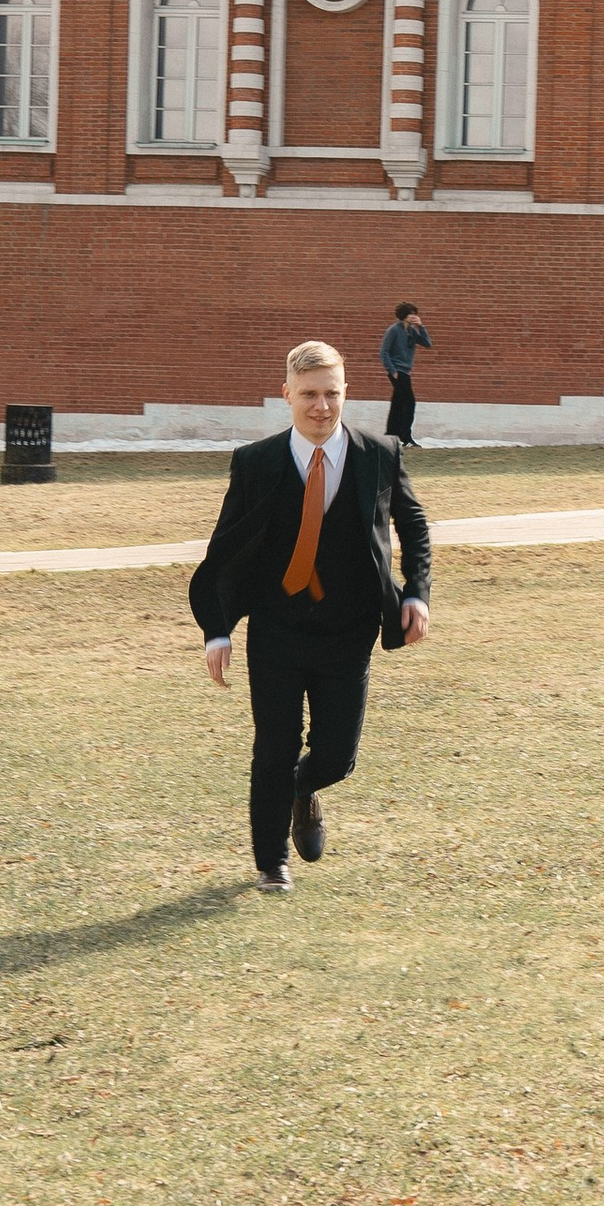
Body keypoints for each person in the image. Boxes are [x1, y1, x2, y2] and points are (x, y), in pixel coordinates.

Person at [192, 341, 433, 894]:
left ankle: (304, 790)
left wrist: (416, 593)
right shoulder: (256, 462)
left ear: (346, 392)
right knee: (274, 745)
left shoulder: (380, 453)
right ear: (287, 396)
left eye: (331, 393)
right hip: (276, 628)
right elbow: (225, 550)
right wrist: (218, 628)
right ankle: (271, 863)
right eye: (308, 395)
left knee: (336, 754)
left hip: (349, 631)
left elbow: (414, 526)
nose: (321, 406)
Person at [379, 301, 431, 442]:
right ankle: (405, 436)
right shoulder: (394, 330)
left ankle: (391, 434)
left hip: (405, 371)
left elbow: (427, 343)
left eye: (415, 314)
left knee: (398, 402)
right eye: (410, 314)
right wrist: (392, 370)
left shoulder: (412, 331)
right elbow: (384, 352)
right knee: (409, 402)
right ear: (403, 315)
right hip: (397, 371)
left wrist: (421, 326)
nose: (413, 316)